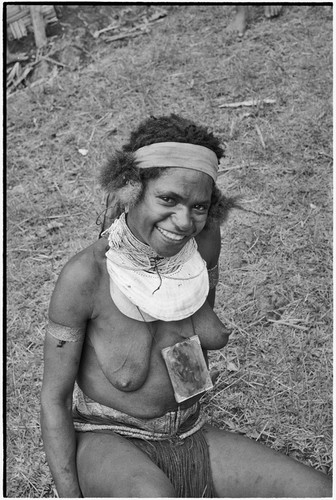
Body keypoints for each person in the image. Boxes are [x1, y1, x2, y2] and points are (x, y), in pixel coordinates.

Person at [40, 114, 332, 497]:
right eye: (168, 199)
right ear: (131, 190)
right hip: (109, 441)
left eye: (199, 206)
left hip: (189, 432)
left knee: (318, 491)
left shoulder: (202, 244)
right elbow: (54, 399)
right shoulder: (87, 275)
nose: (182, 222)